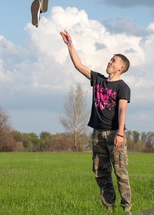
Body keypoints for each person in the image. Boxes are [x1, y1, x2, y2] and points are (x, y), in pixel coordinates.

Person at [60, 30, 132, 215]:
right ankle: (109, 208)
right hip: (97, 134)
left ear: (120, 68)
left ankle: (127, 210)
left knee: (120, 172)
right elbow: (79, 65)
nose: (109, 61)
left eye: (113, 60)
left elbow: (123, 109)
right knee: (101, 173)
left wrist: (121, 133)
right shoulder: (98, 80)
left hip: (114, 134)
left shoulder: (122, 87)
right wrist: (70, 44)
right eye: (110, 59)